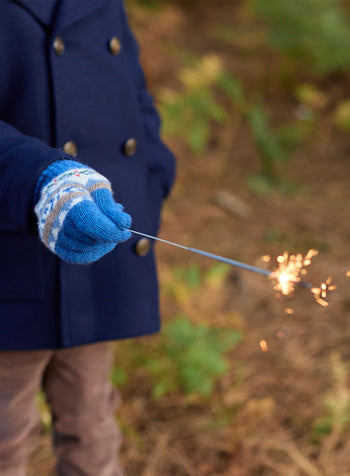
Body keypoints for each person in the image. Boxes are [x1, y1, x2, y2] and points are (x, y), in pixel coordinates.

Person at [0, 0, 176, 475]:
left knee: (93, 426)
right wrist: (39, 177)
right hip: (9, 262)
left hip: (97, 254)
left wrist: (153, 175)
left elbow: (133, 98)